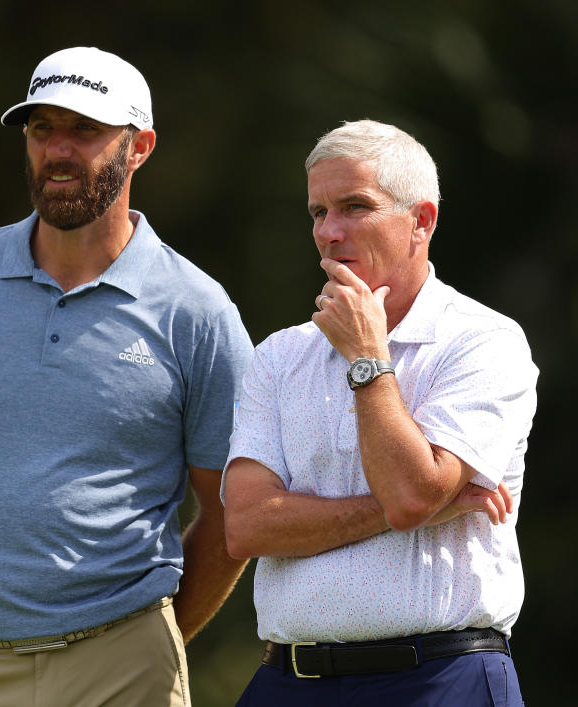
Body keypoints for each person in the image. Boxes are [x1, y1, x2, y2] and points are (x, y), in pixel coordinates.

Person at [0, 46, 254, 707]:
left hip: (122, 664)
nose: (57, 150)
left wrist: (151, 636)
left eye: (84, 129)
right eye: (41, 129)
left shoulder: (197, 310)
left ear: (138, 147)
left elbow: (231, 511)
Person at [222, 119, 538, 706]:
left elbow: (412, 494)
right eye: (318, 212)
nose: (328, 232)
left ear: (422, 220)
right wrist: (408, 510)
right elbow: (246, 527)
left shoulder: (485, 341)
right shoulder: (280, 354)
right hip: (290, 681)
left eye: (354, 206)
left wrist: (369, 357)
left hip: (441, 679)